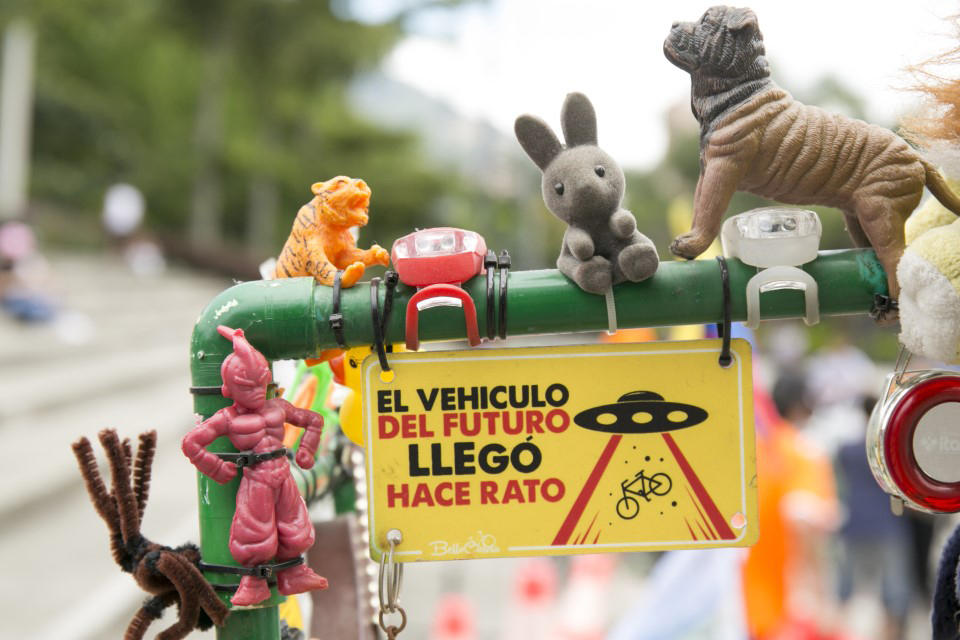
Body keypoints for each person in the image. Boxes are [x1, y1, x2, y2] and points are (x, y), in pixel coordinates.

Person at [182, 325, 329, 606]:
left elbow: (313, 420)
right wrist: (214, 467)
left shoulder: (278, 407)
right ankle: (253, 582)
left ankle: (294, 573)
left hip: (283, 474)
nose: (256, 392)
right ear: (228, 389)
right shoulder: (227, 418)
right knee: (253, 531)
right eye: (246, 386)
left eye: (260, 384)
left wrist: (307, 449)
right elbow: (191, 443)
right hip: (257, 478)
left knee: (295, 524)